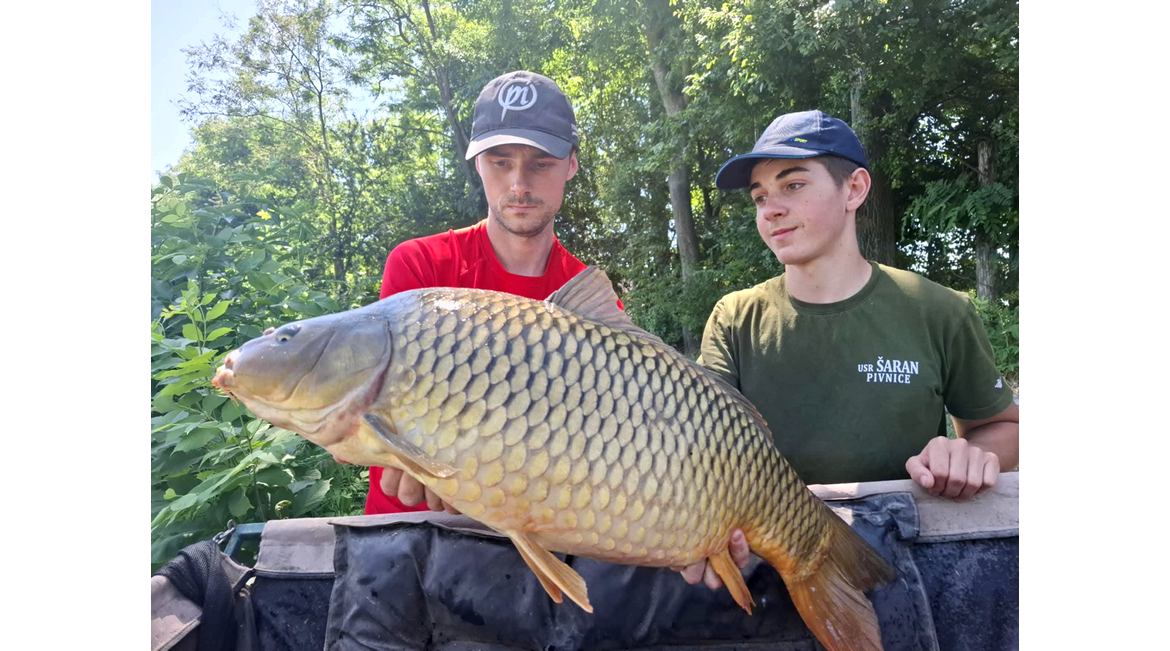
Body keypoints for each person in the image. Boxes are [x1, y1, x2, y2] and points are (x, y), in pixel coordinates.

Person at [678, 109, 1020, 590]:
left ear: (854, 189)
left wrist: (970, 455)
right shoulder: (735, 318)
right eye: (760, 197)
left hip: (907, 564)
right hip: (770, 565)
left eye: (793, 185)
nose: (770, 209)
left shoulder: (937, 309)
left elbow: (1003, 428)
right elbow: (698, 453)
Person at [364, 70, 596, 515]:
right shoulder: (420, 267)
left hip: (531, 533)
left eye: (541, 163)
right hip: (403, 537)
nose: (519, 185)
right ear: (477, 164)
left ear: (571, 164)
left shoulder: (586, 299)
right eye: (501, 162)